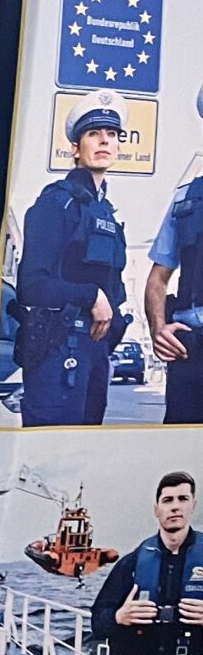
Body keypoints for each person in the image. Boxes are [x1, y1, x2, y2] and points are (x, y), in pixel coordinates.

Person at [12, 91, 130, 426]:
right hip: (58, 347)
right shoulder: (56, 203)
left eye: (112, 134)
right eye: (93, 133)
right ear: (76, 148)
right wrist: (91, 296)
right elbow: (31, 286)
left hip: (95, 351)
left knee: (85, 451)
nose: (104, 140)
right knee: (53, 451)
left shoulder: (105, 212)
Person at [89, 471, 203, 655]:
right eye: (167, 500)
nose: (175, 507)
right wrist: (119, 617)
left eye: (182, 499)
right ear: (156, 509)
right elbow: (97, 622)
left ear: (193, 505)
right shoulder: (131, 563)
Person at [143, 87, 203, 423]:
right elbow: (157, 278)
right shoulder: (187, 199)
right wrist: (158, 328)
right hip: (189, 352)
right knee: (180, 447)